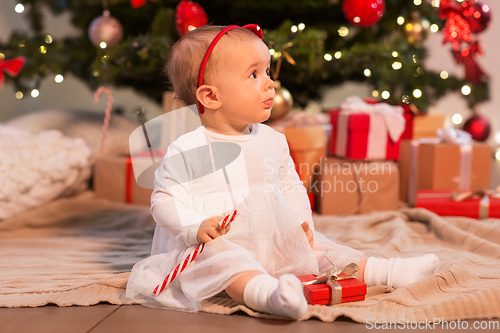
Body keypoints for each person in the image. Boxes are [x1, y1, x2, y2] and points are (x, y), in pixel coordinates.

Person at [126, 24, 439, 320]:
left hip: (271, 233)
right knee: (225, 261)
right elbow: (164, 200)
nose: (269, 82)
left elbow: (291, 185)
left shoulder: (273, 140)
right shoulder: (189, 147)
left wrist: (301, 221)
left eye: (266, 71)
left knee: (323, 250)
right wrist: (194, 228)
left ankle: (389, 271)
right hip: (219, 239)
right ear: (211, 97)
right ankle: (268, 295)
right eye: (253, 74)